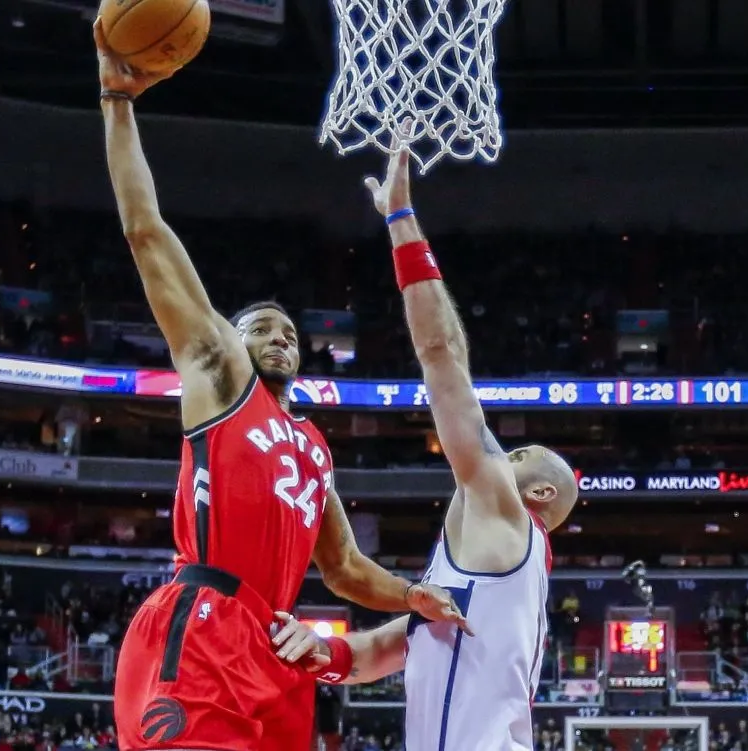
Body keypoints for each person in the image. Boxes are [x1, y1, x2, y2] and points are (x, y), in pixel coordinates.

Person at [92, 27, 467, 751]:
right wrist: (117, 100)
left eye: (289, 329)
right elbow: (146, 231)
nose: (280, 335)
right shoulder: (219, 374)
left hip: (275, 642)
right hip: (203, 621)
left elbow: (346, 567)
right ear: (232, 340)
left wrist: (412, 594)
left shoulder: (314, 446)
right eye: (262, 327)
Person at [271, 139, 580, 751]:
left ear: (538, 492)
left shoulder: (502, 512)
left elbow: (443, 356)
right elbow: (379, 653)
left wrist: (400, 221)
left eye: (513, 456)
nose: (495, 455)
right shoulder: (488, 574)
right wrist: (322, 651)